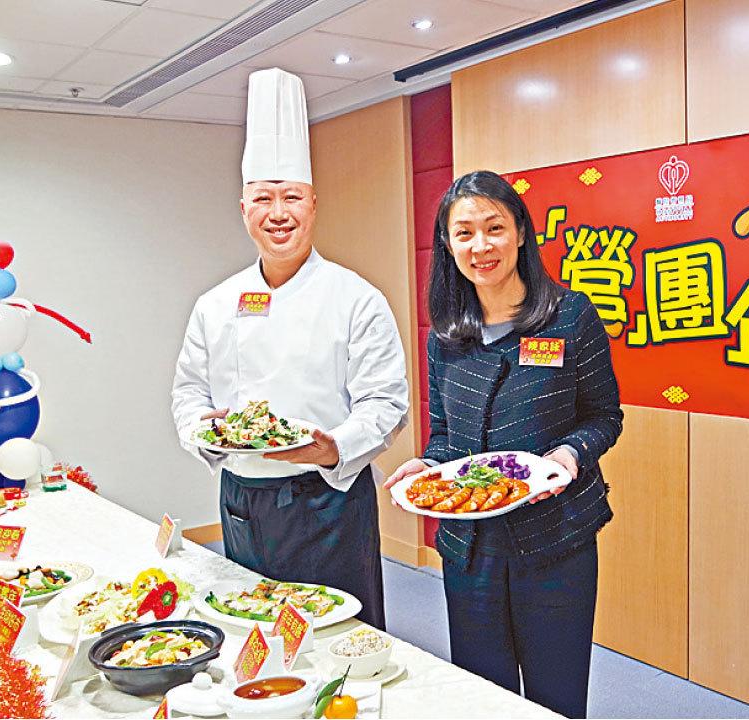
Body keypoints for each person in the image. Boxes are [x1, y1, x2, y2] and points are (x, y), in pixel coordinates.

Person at [171, 69, 408, 630]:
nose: (278, 213)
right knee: (249, 629)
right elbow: (187, 391)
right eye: (263, 198)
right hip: (242, 498)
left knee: (337, 636)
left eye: (291, 197)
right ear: (243, 206)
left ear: (313, 203)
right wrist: (202, 426)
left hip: (327, 500)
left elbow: (386, 404)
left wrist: (333, 448)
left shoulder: (357, 298)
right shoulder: (215, 302)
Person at [384, 171, 623, 717]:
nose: (480, 245)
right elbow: (445, 437)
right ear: (448, 244)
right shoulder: (445, 333)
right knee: (480, 697)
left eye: (494, 228)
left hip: (555, 538)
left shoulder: (570, 316)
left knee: (556, 696)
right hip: (470, 547)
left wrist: (569, 455)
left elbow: (604, 416)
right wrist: (427, 465)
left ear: (520, 232)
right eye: (464, 232)